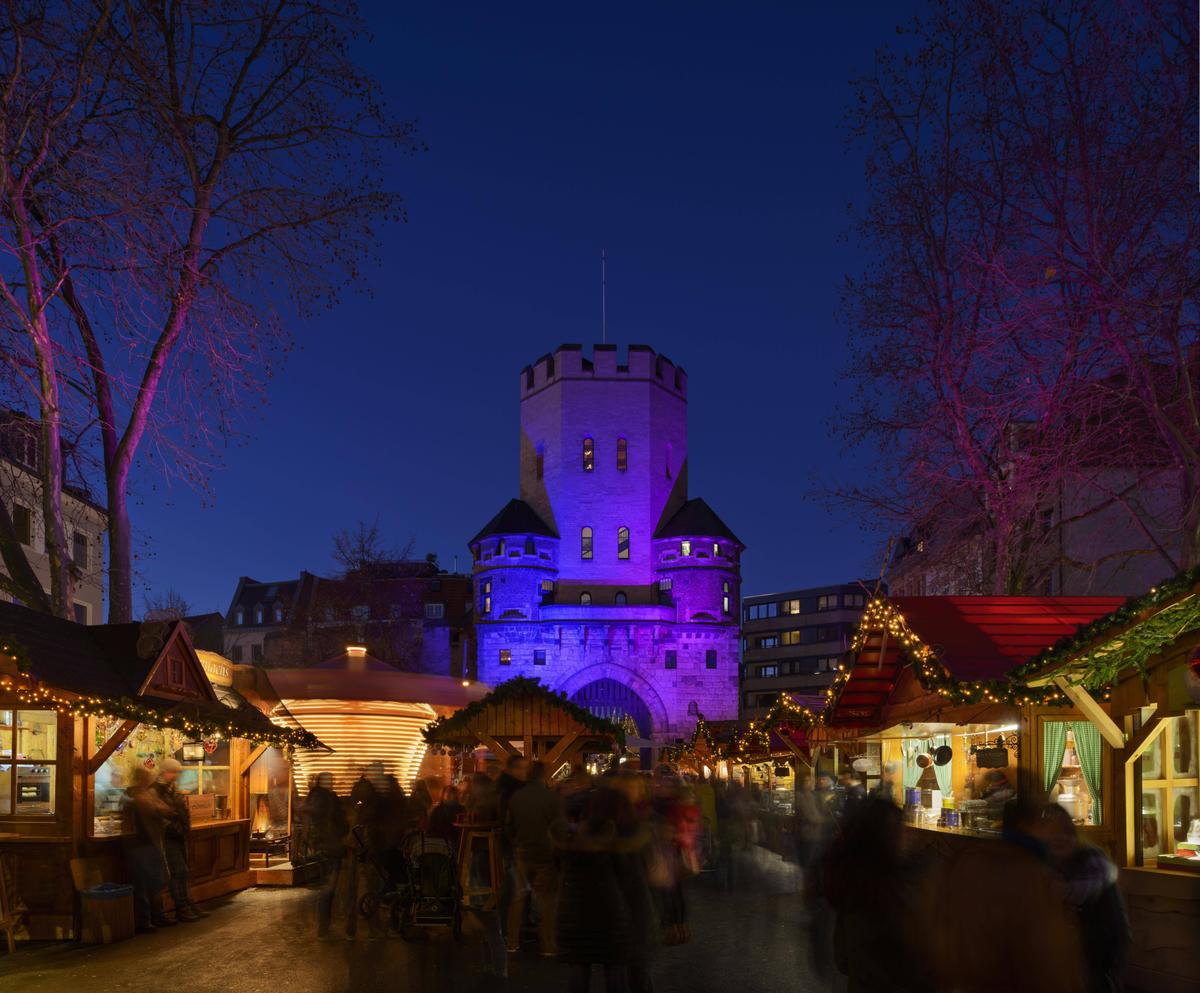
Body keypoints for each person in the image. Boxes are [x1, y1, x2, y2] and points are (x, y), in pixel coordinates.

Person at [925, 795, 1086, 993]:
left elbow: (943, 931)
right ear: (1028, 825)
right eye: (1043, 822)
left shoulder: (969, 861)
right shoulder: (1030, 874)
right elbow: (1048, 959)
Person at [1042, 804, 1131, 993]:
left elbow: (1115, 932)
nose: (1060, 838)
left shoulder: (1094, 868)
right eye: (1052, 833)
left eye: (1066, 832)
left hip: (1092, 976)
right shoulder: (1038, 871)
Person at [505, 761, 563, 955]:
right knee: (548, 900)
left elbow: (509, 826)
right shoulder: (551, 798)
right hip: (545, 854)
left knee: (518, 897)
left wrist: (517, 842)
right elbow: (560, 829)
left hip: (522, 852)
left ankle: (512, 941)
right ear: (543, 776)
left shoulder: (516, 797)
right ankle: (547, 944)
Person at [122, 766, 175, 932]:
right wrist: (163, 809)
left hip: (146, 843)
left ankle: (155, 916)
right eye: (147, 777)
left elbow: (163, 808)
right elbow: (160, 809)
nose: (150, 779)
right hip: (141, 843)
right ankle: (146, 920)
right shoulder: (137, 796)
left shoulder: (141, 794)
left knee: (153, 881)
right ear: (142, 779)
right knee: (146, 882)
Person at [154, 758, 207, 922]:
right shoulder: (157, 790)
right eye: (174, 772)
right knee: (178, 872)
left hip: (178, 835)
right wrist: (174, 826)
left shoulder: (170, 789)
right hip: (169, 837)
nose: (176, 776)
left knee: (183, 872)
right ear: (165, 772)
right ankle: (182, 907)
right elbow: (161, 814)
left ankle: (187, 904)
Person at [301, 772, 348, 940]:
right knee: (329, 888)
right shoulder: (330, 799)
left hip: (316, 847)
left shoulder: (312, 797)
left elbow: (305, 816)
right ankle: (324, 927)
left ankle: (321, 924)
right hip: (331, 846)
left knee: (322, 886)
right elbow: (343, 825)